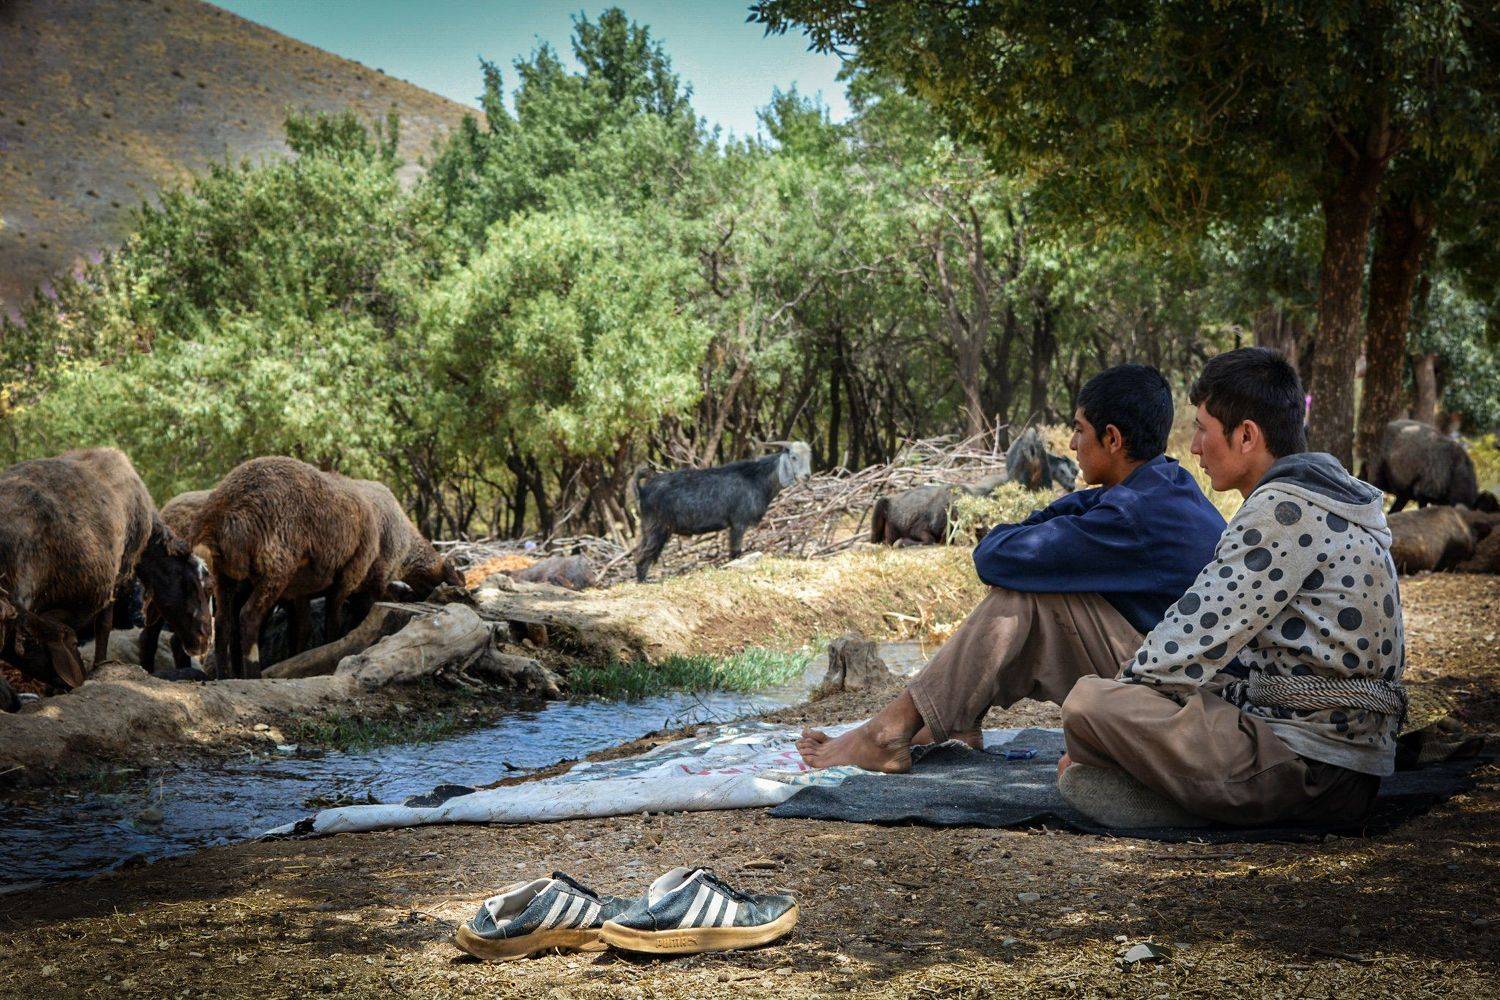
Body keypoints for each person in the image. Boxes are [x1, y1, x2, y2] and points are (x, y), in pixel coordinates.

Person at [798, 363, 1227, 772]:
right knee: (1036, 590)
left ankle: (890, 732)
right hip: (1184, 681)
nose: (1072, 444)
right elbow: (1054, 520)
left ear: (1112, 439)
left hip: (1185, 704)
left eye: (1079, 430)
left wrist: (1034, 528)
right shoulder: (1163, 486)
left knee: (1028, 599)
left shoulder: (1130, 517)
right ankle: (954, 720)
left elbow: (993, 558)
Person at [1058, 347, 1405, 827]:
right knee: (1135, 701)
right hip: (1345, 765)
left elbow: (1184, 645)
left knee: (1088, 703)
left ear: (1246, 436)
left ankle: (1184, 800)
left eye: (1203, 429)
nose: (1194, 447)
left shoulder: (1282, 512)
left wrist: (1103, 729)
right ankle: (1175, 792)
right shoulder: (1328, 493)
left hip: (1312, 769)